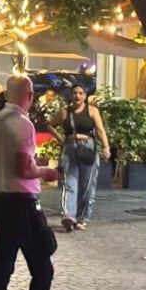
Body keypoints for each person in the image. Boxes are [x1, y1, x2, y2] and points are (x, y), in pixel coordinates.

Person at [0, 75, 75, 290]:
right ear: (29, 95)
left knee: (2, 271)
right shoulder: (22, 124)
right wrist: (46, 173)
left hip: (1, 198)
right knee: (43, 270)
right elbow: (24, 168)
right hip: (23, 203)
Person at [53, 85, 110, 232]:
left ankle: (82, 218)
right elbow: (50, 124)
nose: (77, 96)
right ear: (70, 95)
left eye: (80, 93)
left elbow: (100, 130)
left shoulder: (92, 111)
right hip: (70, 149)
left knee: (87, 185)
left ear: (85, 95)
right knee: (69, 183)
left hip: (88, 148)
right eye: (74, 93)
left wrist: (106, 147)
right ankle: (68, 216)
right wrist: (59, 137)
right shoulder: (65, 112)